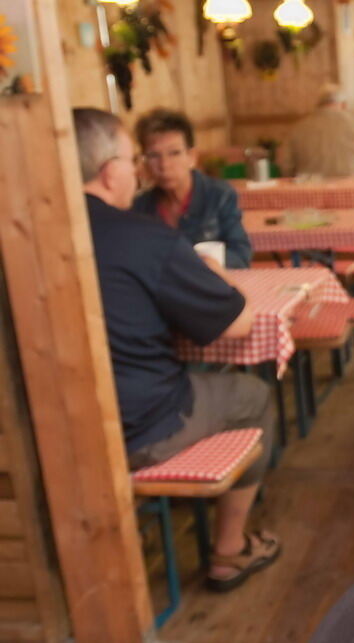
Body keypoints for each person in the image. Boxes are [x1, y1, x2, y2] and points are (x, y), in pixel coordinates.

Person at [73, 107, 281, 592]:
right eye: (135, 158)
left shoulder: (35, 236)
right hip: (139, 426)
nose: (144, 169)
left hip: (61, 428)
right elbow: (238, 321)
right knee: (254, 395)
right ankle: (229, 551)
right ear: (110, 172)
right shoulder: (144, 235)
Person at [131, 108, 252, 268]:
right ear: (145, 162)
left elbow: (241, 255)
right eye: (154, 155)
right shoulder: (140, 206)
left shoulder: (219, 194)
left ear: (191, 157)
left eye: (174, 153)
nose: (164, 165)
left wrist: (202, 264)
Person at [283, 83, 354, 178]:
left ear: (318, 105)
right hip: (351, 195)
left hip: (308, 195)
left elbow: (285, 166)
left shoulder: (298, 129)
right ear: (344, 105)